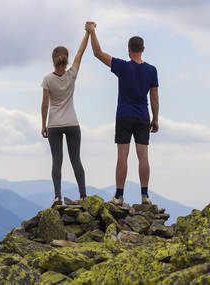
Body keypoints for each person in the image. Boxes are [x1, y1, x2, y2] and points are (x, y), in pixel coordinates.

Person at [87, 21, 160, 205]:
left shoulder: (123, 66)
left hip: (124, 115)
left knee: (122, 155)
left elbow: (97, 53)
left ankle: (119, 196)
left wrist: (92, 31)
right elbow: (154, 97)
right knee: (143, 155)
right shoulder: (151, 70)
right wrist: (155, 118)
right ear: (143, 49)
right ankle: (145, 196)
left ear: (129, 49)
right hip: (143, 115)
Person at [41, 24, 90, 207]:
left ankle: (57, 197)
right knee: (75, 159)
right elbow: (81, 52)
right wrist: (88, 32)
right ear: (66, 59)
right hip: (72, 122)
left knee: (57, 161)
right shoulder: (72, 75)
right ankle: (84, 196)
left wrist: (43, 124)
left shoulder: (47, 79)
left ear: (53, 59)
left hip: (54, 124)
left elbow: (45, 104)